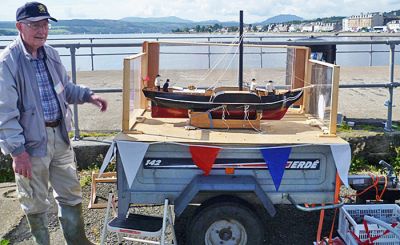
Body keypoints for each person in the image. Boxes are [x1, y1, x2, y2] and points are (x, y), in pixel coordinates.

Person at [0, 2, 107, 245]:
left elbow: (63, 89)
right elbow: (4, 112)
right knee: (34, 200)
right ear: (19, 27)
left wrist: (88, 96)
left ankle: (77, 241)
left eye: (46, 24)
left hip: (59, 135)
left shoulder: (51, 54)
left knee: (70, 192)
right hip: (30, 144)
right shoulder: (8, 62)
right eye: (35, 25)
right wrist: (17, 152)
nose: (42, 30)